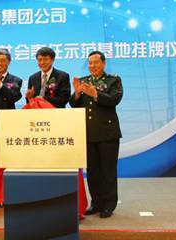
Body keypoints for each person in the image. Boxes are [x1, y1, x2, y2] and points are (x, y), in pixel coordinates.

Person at [69, 51, 123, 218]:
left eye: (96, 63)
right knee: (92, 172)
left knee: (108, 171)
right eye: (90, 63)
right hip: (88, 133)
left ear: (104, 64)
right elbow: (73, 104)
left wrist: (95, 94)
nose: (92, 66)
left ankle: (108, 205)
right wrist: (77, 93)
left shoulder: (113, 80)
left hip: (108, 133)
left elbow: (115, 99)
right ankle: (96, 203)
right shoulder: (84, 81)